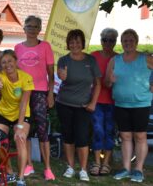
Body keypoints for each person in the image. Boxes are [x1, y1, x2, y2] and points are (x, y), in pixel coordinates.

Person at [107, 29, 153, 183]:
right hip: (121, 103)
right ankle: (126, 168)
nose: (128, 43)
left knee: (140, 136)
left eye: (131, 40)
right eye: (125, 40)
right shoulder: (115, 60)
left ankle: (138, 169)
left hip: (141, 103)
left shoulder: (146, 58)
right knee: (125, 136)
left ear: (136, 42)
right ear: (122, 43)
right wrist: (110, 81)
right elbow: (106, 82)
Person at [14, 15, 55, 180]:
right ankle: (29, 165)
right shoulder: (17, 48)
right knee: (25, 131)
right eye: (29, 26)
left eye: (35, 27)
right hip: (23, 94)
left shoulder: (45, 46)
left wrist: (51, 94)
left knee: (42, 131)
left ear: (39, 29)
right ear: (24, 28)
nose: (32, 29)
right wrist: (16, 94)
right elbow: (14, 75)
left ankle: (47, 168)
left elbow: (51, 74)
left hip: (40, 92)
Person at [56, 29, 101, 182]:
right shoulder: (63, 60)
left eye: (77, 41)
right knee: (68, 136)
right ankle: (70, 166)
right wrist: (62, 76)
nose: (74, 44)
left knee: (82, 138)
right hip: (64, 103)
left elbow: (98, 84)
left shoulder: (90, 60)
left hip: (84, 106)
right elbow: (61, 75)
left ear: (82, 43)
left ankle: (83, 169)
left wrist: (93, 103)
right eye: (72, 42)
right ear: (68, 44)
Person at [0, 50, 34, 186]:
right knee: (0, 141)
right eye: (3, 62)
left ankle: (21, 178)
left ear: (16, 61)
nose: (7, 64)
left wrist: (20, 127)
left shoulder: (26, 77)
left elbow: (24, 103)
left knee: (20, 139)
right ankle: (10, 173)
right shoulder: (0, 75)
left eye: (10, 61)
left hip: (21, 114)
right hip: (3, 113)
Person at [89, 28, 118, 176]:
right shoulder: (93, 56)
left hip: (113, 101)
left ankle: (106, 163)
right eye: (105, 39)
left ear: (115, 41)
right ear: (100, 40)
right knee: (98, 130)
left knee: (109, 131)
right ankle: (96, 162)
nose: (108, 43)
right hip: (97, 100)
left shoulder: (119, 58)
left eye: (111, 40)